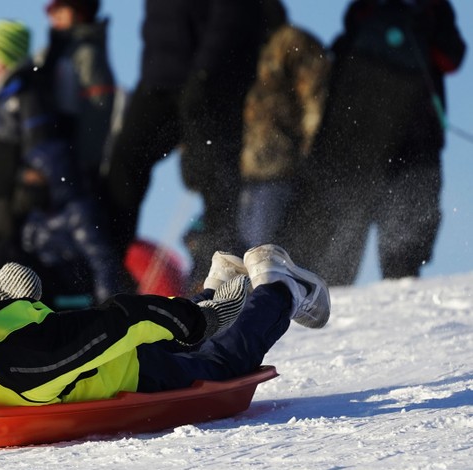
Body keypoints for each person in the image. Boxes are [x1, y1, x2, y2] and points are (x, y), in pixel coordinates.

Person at [0, 244, 330, 439]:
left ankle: (280, 284)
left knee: (224, 361)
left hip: (131, 369)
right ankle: (223, 274)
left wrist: (205, 314)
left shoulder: (31, 366)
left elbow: (126, 321)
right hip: (29, 329)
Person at [0, 19, 129, 305]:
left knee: (4, 255)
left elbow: (38, 141)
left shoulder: (25, 93)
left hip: (13, 192)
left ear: (8, 58)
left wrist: (35, 177)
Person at [289, 0, 466, 285]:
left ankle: (329, 297)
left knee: (340, 238)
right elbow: (452, 57)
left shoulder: (366, 10)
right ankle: (400, 286)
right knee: (405, 240)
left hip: (353, 139)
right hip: (415, 135)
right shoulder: (432, 11)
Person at [101, 0, 269, 290]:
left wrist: (207, 71)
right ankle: (111, 266)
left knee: (214, 176)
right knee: (125, 162)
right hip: (159, 80)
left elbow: (234, 14)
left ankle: (219, 275)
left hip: (213, 78)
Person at [238, 1, 331, 248]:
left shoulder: (290, 42)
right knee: (235, 249)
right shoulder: (235, 42)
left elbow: (315, 96)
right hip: (241, 167)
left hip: (279, 164)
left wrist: (310, 146)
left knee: (262, 248)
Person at [36, 0, 116, 195]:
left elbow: (98, 112)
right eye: (53, 11)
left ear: (80, 14)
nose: (55, 16)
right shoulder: (45, 55)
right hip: (44, 156)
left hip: (73, 157)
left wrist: (87, 163)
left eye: (62, 9)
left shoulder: (87, 54)